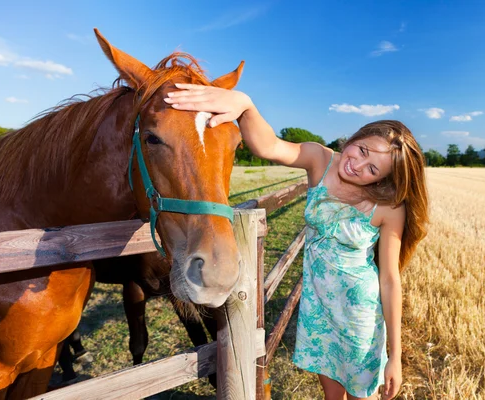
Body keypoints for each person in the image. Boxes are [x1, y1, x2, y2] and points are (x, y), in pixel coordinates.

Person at [164, 84, 429, 400]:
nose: (357, 164)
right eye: (363, 150)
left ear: (381, 180)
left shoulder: (388, 207)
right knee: (332, 396)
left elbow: (389, 280)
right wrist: (247, 106)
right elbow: (269, 146)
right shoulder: (320, 160)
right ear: (356, 137)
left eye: (372, 168)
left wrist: (394, 356)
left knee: (362, 396)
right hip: (318, 308)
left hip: (359, 315)